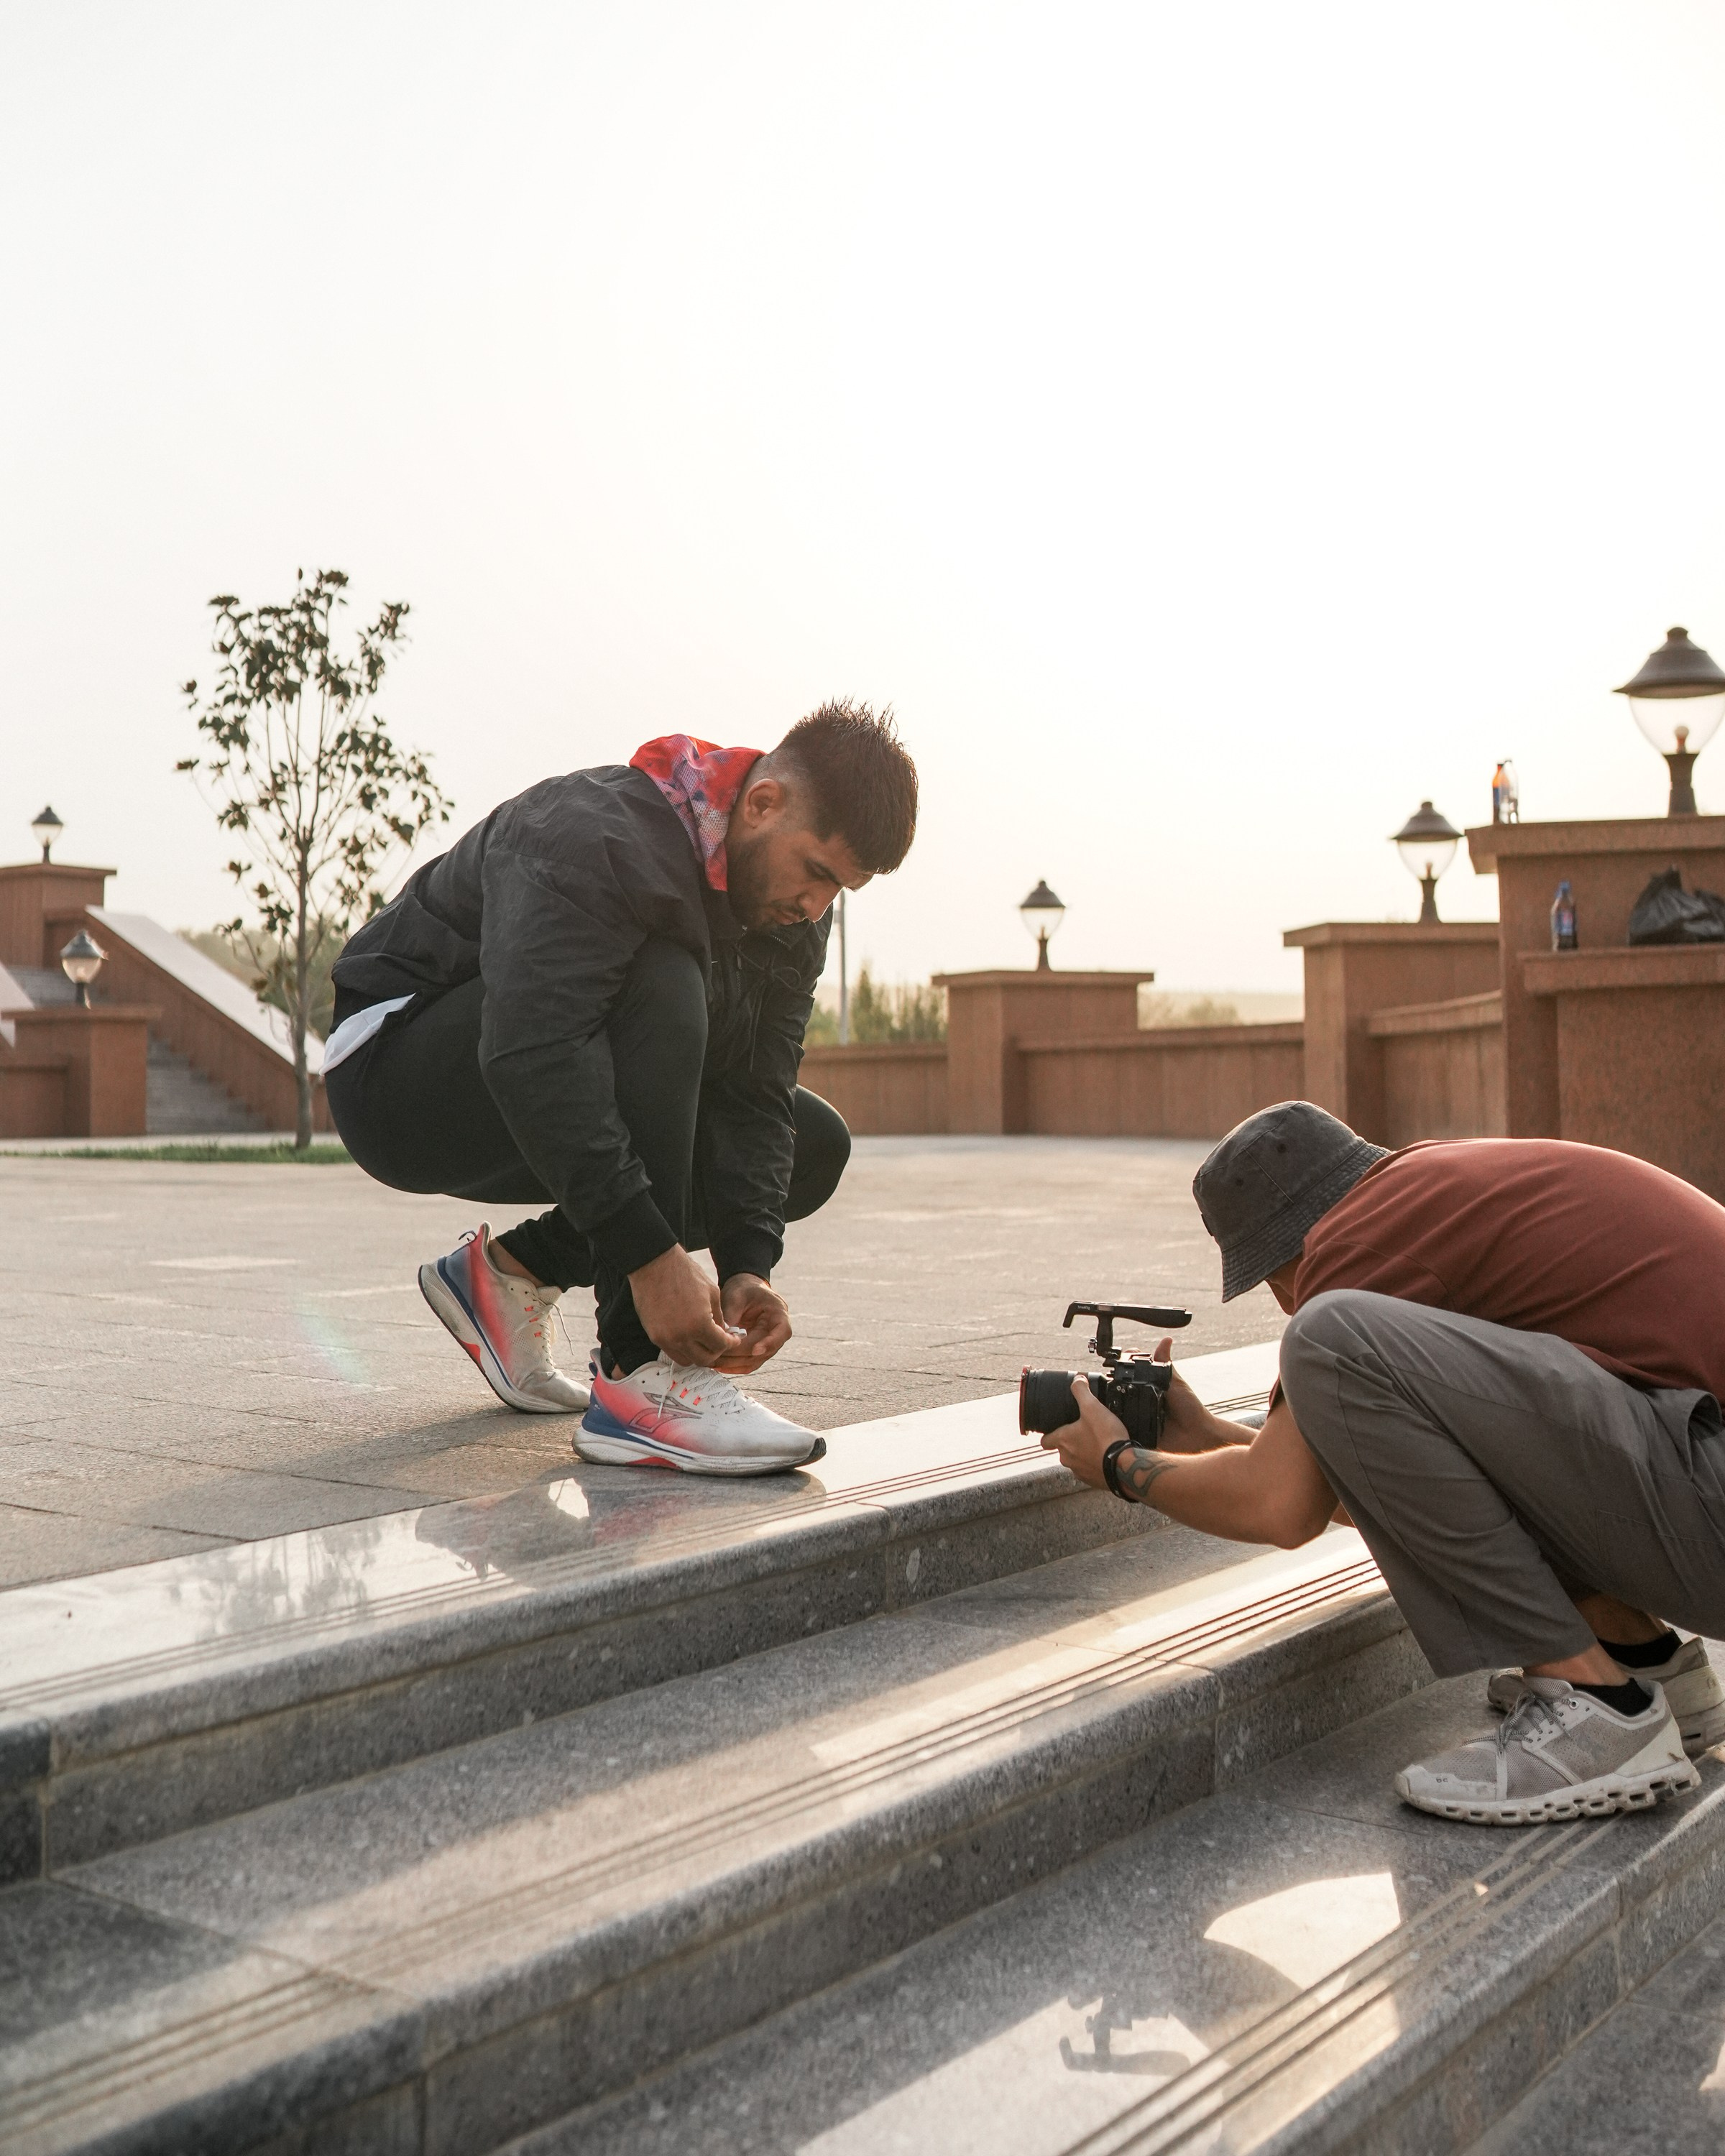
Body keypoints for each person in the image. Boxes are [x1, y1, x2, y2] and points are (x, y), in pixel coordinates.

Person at [1041, 1100, 1725, 1825]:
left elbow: (1281, 1507)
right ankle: (1638, 1661)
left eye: (1274, 1285)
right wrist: (1209, 1435)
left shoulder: (1357, 1243)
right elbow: (1401, 1484)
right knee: (1376, 1364)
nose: (1285, 1305)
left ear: (1280, 1261)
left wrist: (1117, 1463)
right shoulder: (1431, 1198)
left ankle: (1599, 1712)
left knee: (1329, 1335)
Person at [323, 702, 918, 1475]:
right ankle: (641, 1384)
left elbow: (755, 1093)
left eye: (841, 890)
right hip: (395, 1078)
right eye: (816, 873)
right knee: (664, 974)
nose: (816, 906)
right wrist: (650, 1259)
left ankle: (508, 1277)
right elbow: (532, 1050)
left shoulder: (791, 917)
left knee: (812, 1144)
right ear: (764, 803)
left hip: (544, 1072)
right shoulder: (589, 833)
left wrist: (746, 1266)